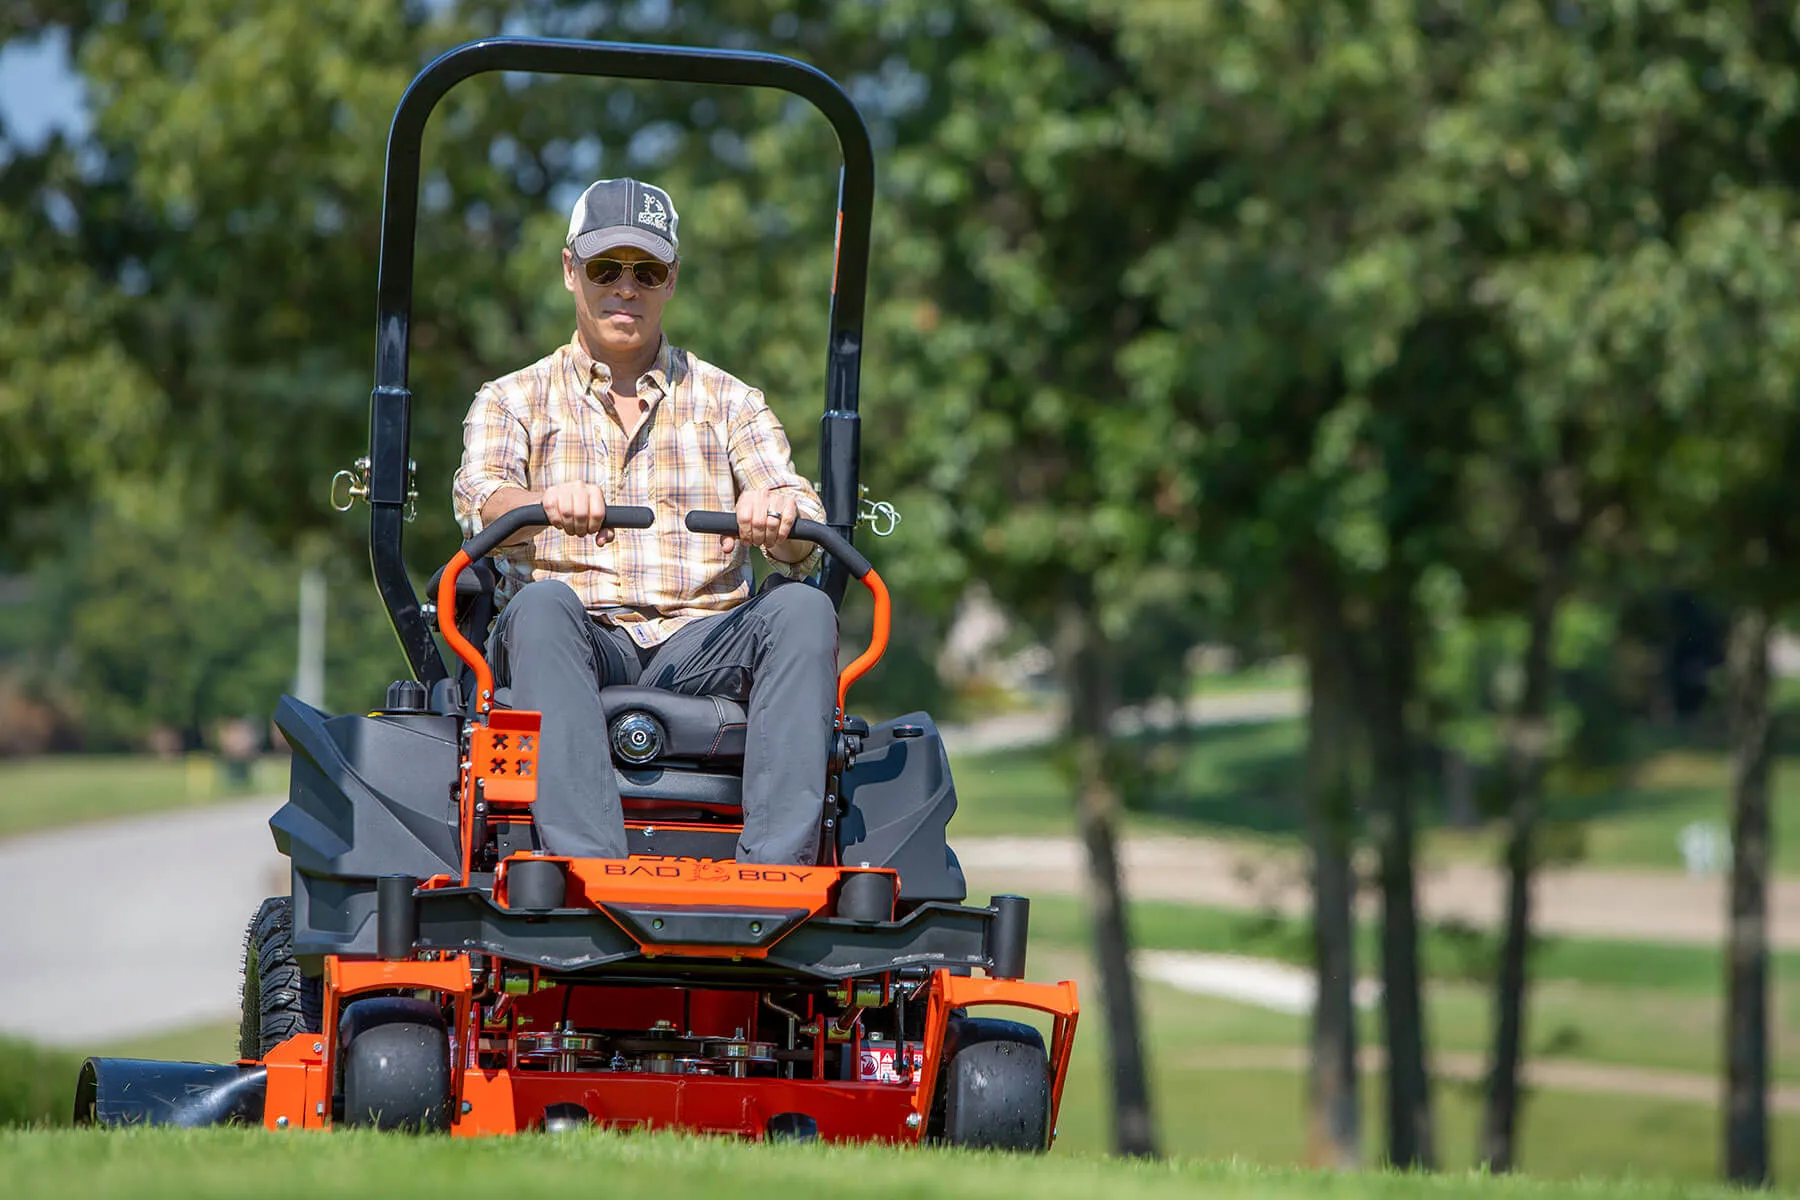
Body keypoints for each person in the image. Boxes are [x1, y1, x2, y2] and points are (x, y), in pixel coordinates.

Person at [452, 178, 836, 865]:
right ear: (571, 270)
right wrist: (542, 506)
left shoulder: (730, 401)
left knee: (803, 611)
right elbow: (486, 502)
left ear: (671, 281)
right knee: (539, 606)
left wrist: (779, 515)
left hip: (705, 645)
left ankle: (776, 874)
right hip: (581, 636)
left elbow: (797, 506)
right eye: (606, 269)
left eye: (646, 271)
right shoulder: (512, 399)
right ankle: (587, 865)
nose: (625, 289)